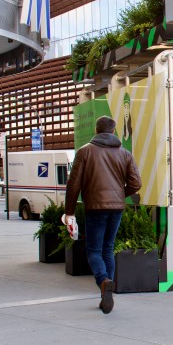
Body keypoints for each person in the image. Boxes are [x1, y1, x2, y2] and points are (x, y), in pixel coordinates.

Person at [65, 116, 141, 314]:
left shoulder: (84, 152)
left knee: (94, 251)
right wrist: (118, 196)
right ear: (114, 131)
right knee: (108, 249)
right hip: (116, 208)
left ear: (96, 130)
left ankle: (103, 280)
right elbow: (136, 183)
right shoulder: (125, 153)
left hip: (95, 208)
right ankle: (106, 295)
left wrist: (69, 212)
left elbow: (74, 185)